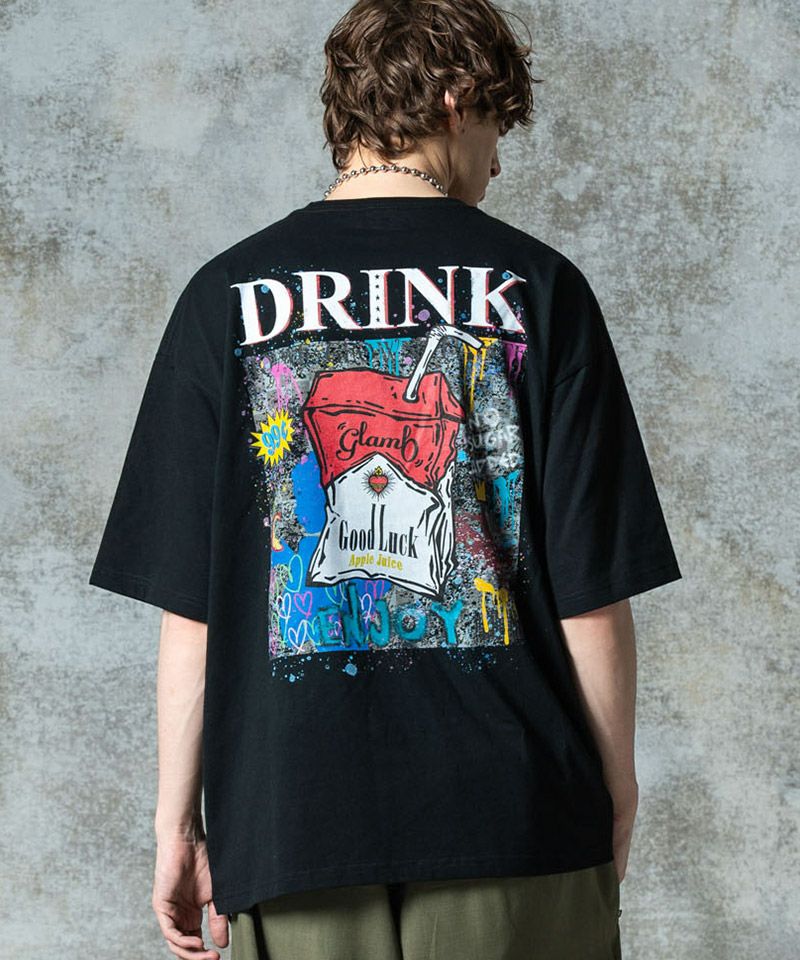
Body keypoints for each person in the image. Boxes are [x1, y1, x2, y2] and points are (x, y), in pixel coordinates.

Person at [88, 1, 682, 958]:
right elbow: (590, 595)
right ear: (456, 100)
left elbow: (193, 610)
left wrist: (176, 826)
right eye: (496, 128)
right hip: (516, 814)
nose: (497, 164)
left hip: (292, 823)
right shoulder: (541, 290)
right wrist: (616, 789)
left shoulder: (221, 299)